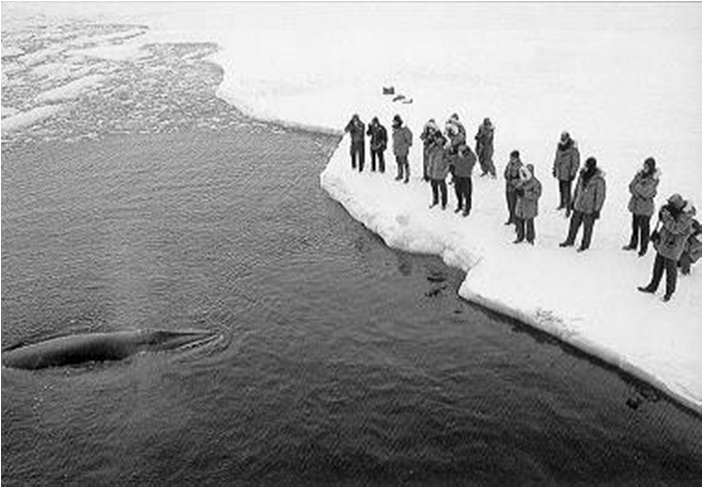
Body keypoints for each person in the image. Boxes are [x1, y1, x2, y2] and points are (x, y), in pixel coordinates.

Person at [638, 194, 696, 302]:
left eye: (671, 205)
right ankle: (652, 286)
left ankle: (669, 293)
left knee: (670, 272)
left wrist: (666, 217)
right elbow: (666, 226)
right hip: (664, 244)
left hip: (673, 248)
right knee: (657, 268)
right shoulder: (675, 212)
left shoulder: (686, 217)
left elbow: (675, 229)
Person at [559, 157, 606, 252]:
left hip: (590, 209)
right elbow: (577, 189)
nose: (585, 167)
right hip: (578, 205)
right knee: (573, 224)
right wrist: (573, 201)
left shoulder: (599, 180)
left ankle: (585, 245)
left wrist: (597, 210)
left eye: (587, 165)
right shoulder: (582, 176)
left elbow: (600, 196)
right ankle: (570, 240)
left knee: (588, 228)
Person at [623, 157, 659, 256]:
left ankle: (643, 249)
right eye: (644, 165)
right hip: (636, 206)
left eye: (647, 166)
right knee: (634, 227)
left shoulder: (654, 179)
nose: (644, 167)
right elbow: (631, 186)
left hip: (645, 209)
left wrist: (637, 189)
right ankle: (633, 244)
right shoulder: (639, 174)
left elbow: (646, 192)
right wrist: (639, 189)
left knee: (644, 230)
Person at [552, 131, 580, 216]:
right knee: (561, 189)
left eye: (564, 138)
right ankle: (562, 204)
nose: (563, 140)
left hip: (567, 174)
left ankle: (568, 208)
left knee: (567, 191)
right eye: (562, 138)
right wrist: (554, 169)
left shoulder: (573, 149)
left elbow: (576, 162)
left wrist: (573, 173)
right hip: (560, 172)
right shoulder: (559, 147)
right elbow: (556, 159)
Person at [514, 164, 542, 244]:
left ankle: (530, 238)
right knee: (520, 223)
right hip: (521, 206)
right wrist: (517, 189)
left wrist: (525, 194)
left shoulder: (536, 183)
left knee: (530, 224)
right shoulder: (522, 180)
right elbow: (517, 187)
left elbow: (537, 194)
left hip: (529, 207)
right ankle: (520, 237)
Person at [449, 143, 477, 216]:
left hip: (466, 177)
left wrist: (459, 158)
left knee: (467, 194)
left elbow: (469, 162)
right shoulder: (458, 156)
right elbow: (451, 159)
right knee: (458, 192)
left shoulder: (470, 156)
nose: (460, 151)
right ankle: (460, 205)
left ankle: (467, 209)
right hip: (458, 176)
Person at [427, 131, 450, 209]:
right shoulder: (433, 146)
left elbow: (448, 159)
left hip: (440, 171)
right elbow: (427, 153)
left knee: (442, 188)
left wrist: (444, 168)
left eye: (437, 138)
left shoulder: (445, 147)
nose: (436, 140)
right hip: (433, 170)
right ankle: (435, 200)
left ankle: (444, 203)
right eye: (435, 138)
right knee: (434, 187)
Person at [503, 150, 524, 225]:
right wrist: (506, 176)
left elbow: (523, 179)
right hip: (508, 187)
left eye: (512, 158)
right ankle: (511, 217)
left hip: (515, 188)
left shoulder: (521, 166)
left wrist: (514, 181)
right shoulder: (509, 164)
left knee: (514, 204)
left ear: (517, 158)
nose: (511, 159)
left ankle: (515, 220)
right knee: (509, 204)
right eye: (510, 157)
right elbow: (505, 172)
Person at [392, 114, 413, 183]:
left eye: (395, 121)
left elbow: (409, 138)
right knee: (398, 163)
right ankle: (400, 174)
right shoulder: (394, 130)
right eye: (394, 121)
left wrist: (406, 145)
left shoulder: (404, 129)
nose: (394, 123)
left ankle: (407, 177)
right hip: (397, 150)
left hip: (403, 150)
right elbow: (394, 141)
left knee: (405, 163)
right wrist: (394, 149)